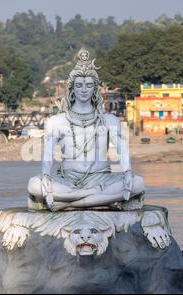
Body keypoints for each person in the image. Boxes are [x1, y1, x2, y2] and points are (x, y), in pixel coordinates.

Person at [27, 50, 145, 211]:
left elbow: (122, 151)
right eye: (79, 85)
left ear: (95, 89)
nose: (84, 90)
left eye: (89, 85)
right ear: (72, 88)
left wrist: (127, 172)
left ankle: (67, 203)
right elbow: (48, 154)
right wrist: (46, 176)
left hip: (101, 178)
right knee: (34, 185)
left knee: (138, 183)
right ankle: (101, 200)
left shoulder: (109, 120)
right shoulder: (57, 121)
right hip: (68, 179)